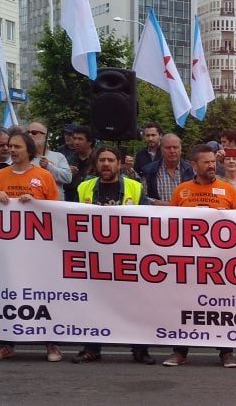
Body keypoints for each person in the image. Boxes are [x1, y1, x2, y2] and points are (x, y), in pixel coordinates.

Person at [71, 146, 155, 364]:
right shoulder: (84, 187)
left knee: (135, 305)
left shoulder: (135, 188)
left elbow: (147, 219)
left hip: (128, 257)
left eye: (110, 160)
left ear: (119, 164)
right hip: (94, 257)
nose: (106, 164)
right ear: (96, 163)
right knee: (94, 303)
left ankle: (140, 349)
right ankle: (91, 348)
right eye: (102, 160)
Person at [0, 131, 62, 362]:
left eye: (17, 146)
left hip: (37, 248)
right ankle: (6, 343)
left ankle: (51, 343)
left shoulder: (44, 176)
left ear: (29, 150)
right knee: (8, 292)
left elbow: (55, 211)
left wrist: (36, 203)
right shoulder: (0, 175)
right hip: (8, 248)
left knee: (42, 294)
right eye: (10, 146)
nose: (12, 150)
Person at [165, 144, 236, 368]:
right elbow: (171, 225)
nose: (211, 165)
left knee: (221, 307)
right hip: (190, 261)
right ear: (194, 165)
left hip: (220, 263)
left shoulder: (228, 190)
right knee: (185, 306)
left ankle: (226, 352)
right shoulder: (182, 191)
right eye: (206, 162)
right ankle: (180, 352)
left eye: (213, 161)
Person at [142, 133, 192, 205]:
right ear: (161, 150)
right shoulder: (148, 171)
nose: (172, 151)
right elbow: (143, 196)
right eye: (168, 148)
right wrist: (155, 202)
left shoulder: (190, 170)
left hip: (184, 214)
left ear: (181, 149)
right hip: (157, 214)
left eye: (175, 147)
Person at [27, 122, 73, 200]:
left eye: (34, 133)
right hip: (31, 205)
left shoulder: (58, 156)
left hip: (54, 206)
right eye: (27, 133)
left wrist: (49, 167)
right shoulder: (24, 158)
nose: (30, 135)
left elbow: (68, 178)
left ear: (46, 136)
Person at [63, 126, 94, 202]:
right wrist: (66, 172)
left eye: (80, 139)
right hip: (70, 202)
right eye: (74, 138)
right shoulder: (66, 159)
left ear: (89, 142)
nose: (76, 142)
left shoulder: (98, 160)